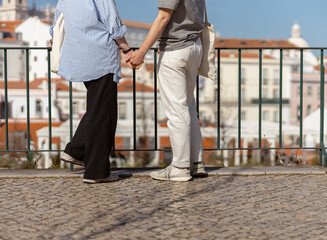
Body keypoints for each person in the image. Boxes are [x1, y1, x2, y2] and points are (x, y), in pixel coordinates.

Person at [50, 0, 133, 184]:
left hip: (80, 56)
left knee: (99, 109)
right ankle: (96, 172)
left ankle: (76, 151)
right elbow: (113, 23)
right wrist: (126, 49)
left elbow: (57, 22)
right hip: (101, 57)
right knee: (103, 115)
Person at [128, 0, 208, 181]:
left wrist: (141, 52)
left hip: (175, 50)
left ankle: (180, 167)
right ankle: (196, 162)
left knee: (177, 112)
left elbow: (163, 17)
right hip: (194, 47)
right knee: (189, 108)